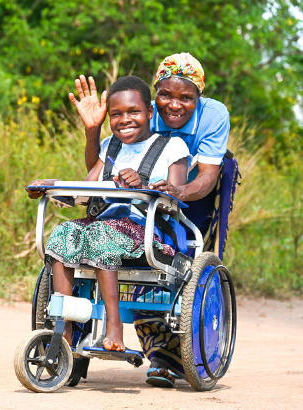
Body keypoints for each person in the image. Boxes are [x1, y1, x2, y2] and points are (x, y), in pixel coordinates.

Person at [69, 53, 230, 386]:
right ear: (153, 99)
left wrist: (176, 191)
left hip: (187, 187)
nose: (174, 104)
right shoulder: (139, 111)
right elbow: (102, 167)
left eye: (186, 97)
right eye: (166, 95)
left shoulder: (212, 117)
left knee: (165, 260)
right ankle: (72, 344)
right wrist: (93, 132)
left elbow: (209, 176)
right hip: (131, 198)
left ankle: (164, 355)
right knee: (84, 238)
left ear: (198, 98)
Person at [28, 75, 189, 352]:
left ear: (150, 112)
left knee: (102, 234)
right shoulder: (109, 146)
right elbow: (87, 187)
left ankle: (114, 325)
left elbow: (175, 194)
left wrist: (145, 185)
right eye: (116, 114)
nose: (125, 119)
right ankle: (62, 323)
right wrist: (53, 186)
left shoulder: (171, 147)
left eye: (134, 112)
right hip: (104, 226)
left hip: (148, 230)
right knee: (62, 234)